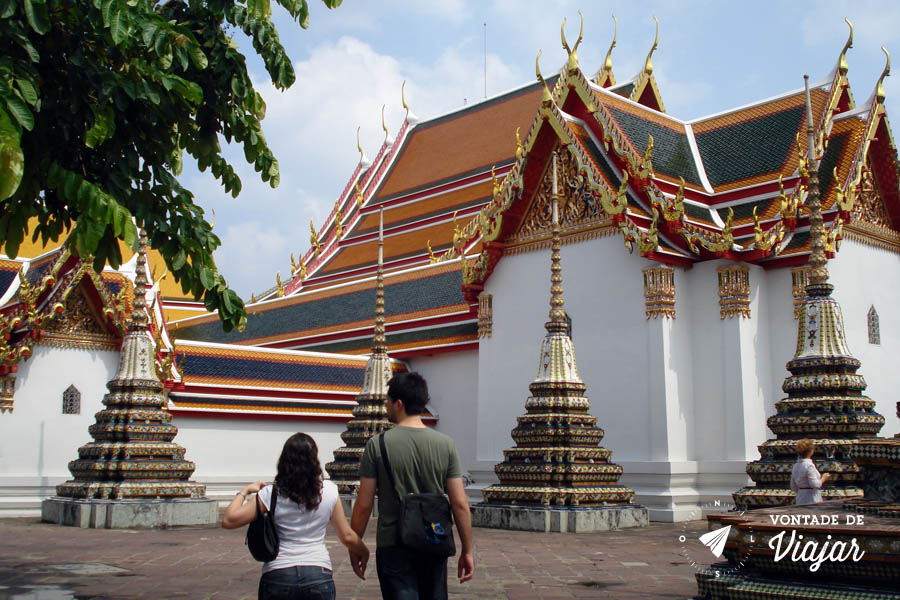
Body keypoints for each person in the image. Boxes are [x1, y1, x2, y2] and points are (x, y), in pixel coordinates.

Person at [349, 372, 474, 599]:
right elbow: (460, 503)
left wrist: (355, 543)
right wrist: (467, 550)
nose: (385, 405)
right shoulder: (446, 444)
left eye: (387, 400)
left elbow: (364, 505)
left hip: (393, 543)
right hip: (434, 538)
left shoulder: (378, 445)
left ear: (399, 404)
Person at [222, 432, 368, 600]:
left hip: (279, 573)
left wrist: (245, 491)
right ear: (315, 460)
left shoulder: (271, 493)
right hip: (318, 573)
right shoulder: (329, 490)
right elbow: (347, 536)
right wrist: (364, 552)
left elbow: (229, 520)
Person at [790, 438, 831, 504]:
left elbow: (793, 487)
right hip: (811, 497)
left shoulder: (795, 466)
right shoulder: (809, 466)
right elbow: (815, 484)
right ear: (811, 451)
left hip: (800, 496)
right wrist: (824, 478)